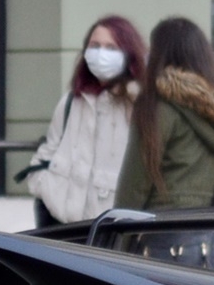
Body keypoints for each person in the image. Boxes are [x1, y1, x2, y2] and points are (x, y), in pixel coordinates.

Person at [114, 16, 214, 211]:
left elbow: (134, 187)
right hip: (205, 234)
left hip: (158, 232)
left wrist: (115, 236)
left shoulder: (157, 106)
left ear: (160, 55)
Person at [21, 17, 143, 225]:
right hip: (59, 224)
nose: (101, 53)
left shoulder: (139, 104)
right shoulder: (72, 100)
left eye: (111, 48)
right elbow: (48, 151)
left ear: (128, 55)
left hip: (110, 230)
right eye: (95, 46)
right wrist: (44, 186)